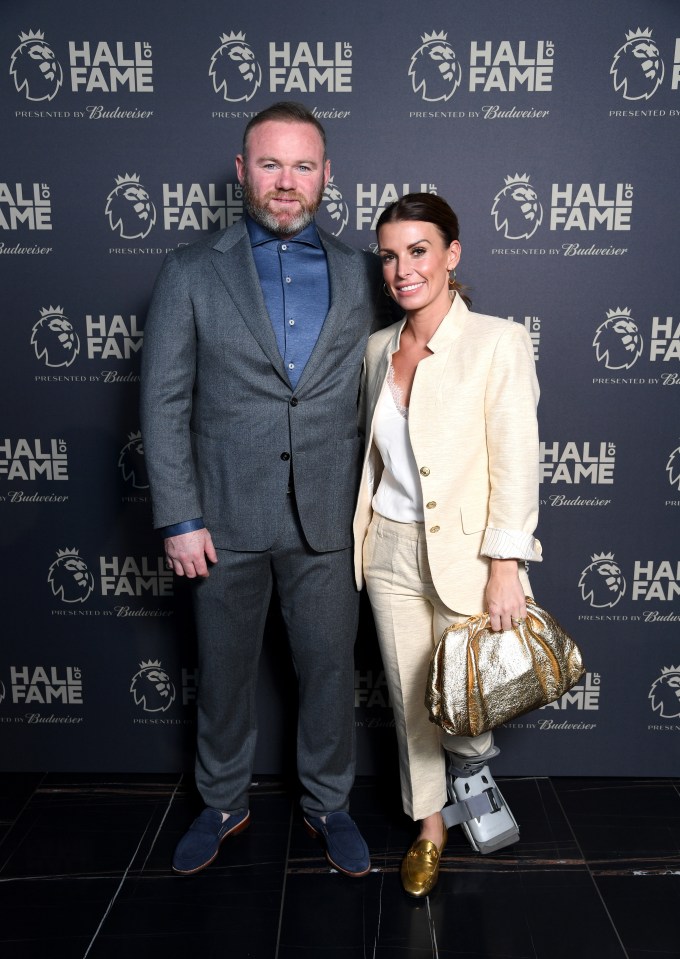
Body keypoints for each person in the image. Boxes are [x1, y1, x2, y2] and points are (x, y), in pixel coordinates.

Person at [140, 101, 387, 878]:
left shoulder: (359, 272)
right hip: (223, 520)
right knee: (222, 675)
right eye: (271, 165)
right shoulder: (189, 270)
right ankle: (220, 799)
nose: (288, 182)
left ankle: (328, 802)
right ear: (243, 172)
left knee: (326, 674)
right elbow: (164, 400)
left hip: (329, 520)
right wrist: (180, 515)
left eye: (303, 166)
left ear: (326, 176)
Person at [352, 193, 542, 897]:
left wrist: (506, 565)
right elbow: (375, 461)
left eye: (419, 250)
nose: (403, 269)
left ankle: (474, 775)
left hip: (467, 554)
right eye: (390, 256)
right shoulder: (377, 349)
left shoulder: (498, 340)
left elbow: (517, 460)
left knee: (465, 698)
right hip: (388, 551)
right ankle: (430, 828)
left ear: (452, 254)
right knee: (409, 701)